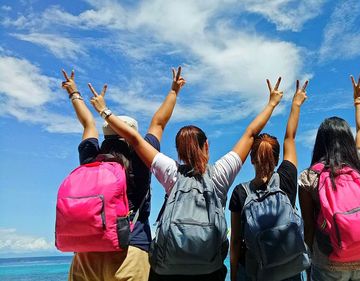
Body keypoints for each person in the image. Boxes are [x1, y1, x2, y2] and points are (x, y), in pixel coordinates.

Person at [88, 72, 284, 281]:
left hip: (167, 270)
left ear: (178, 152)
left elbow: (135, 140)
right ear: (206, 145)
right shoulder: (220, 175)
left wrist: (104, 111)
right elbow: (251, 133)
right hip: (209, 270)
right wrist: (272, 103)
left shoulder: (171, 172)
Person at [61, 66, 186, 281]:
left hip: (86, 254)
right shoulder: (141, 156)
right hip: (131, 250)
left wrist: (74, 93)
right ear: (131, 134)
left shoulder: (91, 159)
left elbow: (87, 123)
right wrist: (174, 91)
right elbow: (159, 122)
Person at [298, 73, 360, 281]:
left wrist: (308, 264)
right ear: (347, 141)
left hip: (329, 260)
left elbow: (308, 227)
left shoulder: (309, 177)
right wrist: (359, 100)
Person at [229, 80, 309, 281]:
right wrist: (296, 104)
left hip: (254, 271)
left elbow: (236, 241)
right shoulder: (287, 179)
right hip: (289, 268)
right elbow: (290, 137)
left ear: (251, 158)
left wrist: (234, 272)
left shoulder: (240, 192)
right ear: (277, 158)